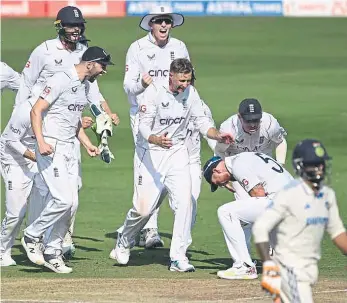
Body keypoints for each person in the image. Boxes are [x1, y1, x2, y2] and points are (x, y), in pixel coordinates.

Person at [15, 5, 119, 257]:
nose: (76, 30)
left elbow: (93, 92)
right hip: (42, 125)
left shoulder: (85, 54)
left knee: (73, 187)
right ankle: (37, 237)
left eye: (79, 26)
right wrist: (24, 123)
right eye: (71, 25)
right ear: (59, 26)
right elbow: (26, 85)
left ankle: (58, 239)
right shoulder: (45, 50)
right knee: (44, 187)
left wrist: (105, 113)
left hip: (68, 129)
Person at [110, 58, 233, 272]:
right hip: (150, 154)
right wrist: (155, 139)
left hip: (177, 152)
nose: (185, 84)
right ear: (171, 76)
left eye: (188, 80)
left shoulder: (191, 93)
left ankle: (178, 257)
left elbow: (202, 122)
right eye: (181, 80)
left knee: (186, 202)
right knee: (144, 209)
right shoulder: (153, 92)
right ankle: (124, 238)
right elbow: (143, 127)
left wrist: (217, 135)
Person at [122, 5, 190, 248]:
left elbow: (187, 80)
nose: (163, 25)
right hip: (144, 115)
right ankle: (147, 229)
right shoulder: (137, 48)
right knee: (148, 169)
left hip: (172, 114)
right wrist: (141, 83)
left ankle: (148, 227)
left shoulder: (179, 47)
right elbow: (128, 87)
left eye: (167, 21)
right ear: (150, 24)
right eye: (159, 21)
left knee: (169, 168)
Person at [253, 139, 347, 303]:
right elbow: (260, 228)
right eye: (313, 165)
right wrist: (268, 265)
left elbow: (337, 232)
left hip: (309, 269)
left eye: (321, 164)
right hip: (288, 268)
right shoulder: (289, 194)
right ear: (300, 166)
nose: (318, 169)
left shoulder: (327, 195)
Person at [202, 151, 293, 279]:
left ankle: (244, 267)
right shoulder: (246, 157)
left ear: (216, 171)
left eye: (217, 182)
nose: (221, 185)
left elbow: (259, 194)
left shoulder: (237, 164)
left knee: (226, 212)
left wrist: (245, 220)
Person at [0, 100, 48, 267]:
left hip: (37, 159)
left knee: (47, 199)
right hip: (13, 162)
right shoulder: (25, 111)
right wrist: (35, 156)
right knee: (16, 213)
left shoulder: (57, 106)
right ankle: (2, 250)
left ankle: (35, 242)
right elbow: (10, 140)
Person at [215, 98, 287, 200]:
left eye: (256, 120)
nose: (253, 124)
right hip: (240, 169)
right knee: (247, 203)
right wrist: (222, 173)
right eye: (248, 121)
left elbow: (280, 141)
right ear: (239, 117)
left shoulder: (270, 124)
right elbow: (220, 150)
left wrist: (280, 165)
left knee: (275, 201)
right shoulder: (229, 129)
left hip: (265, 166)